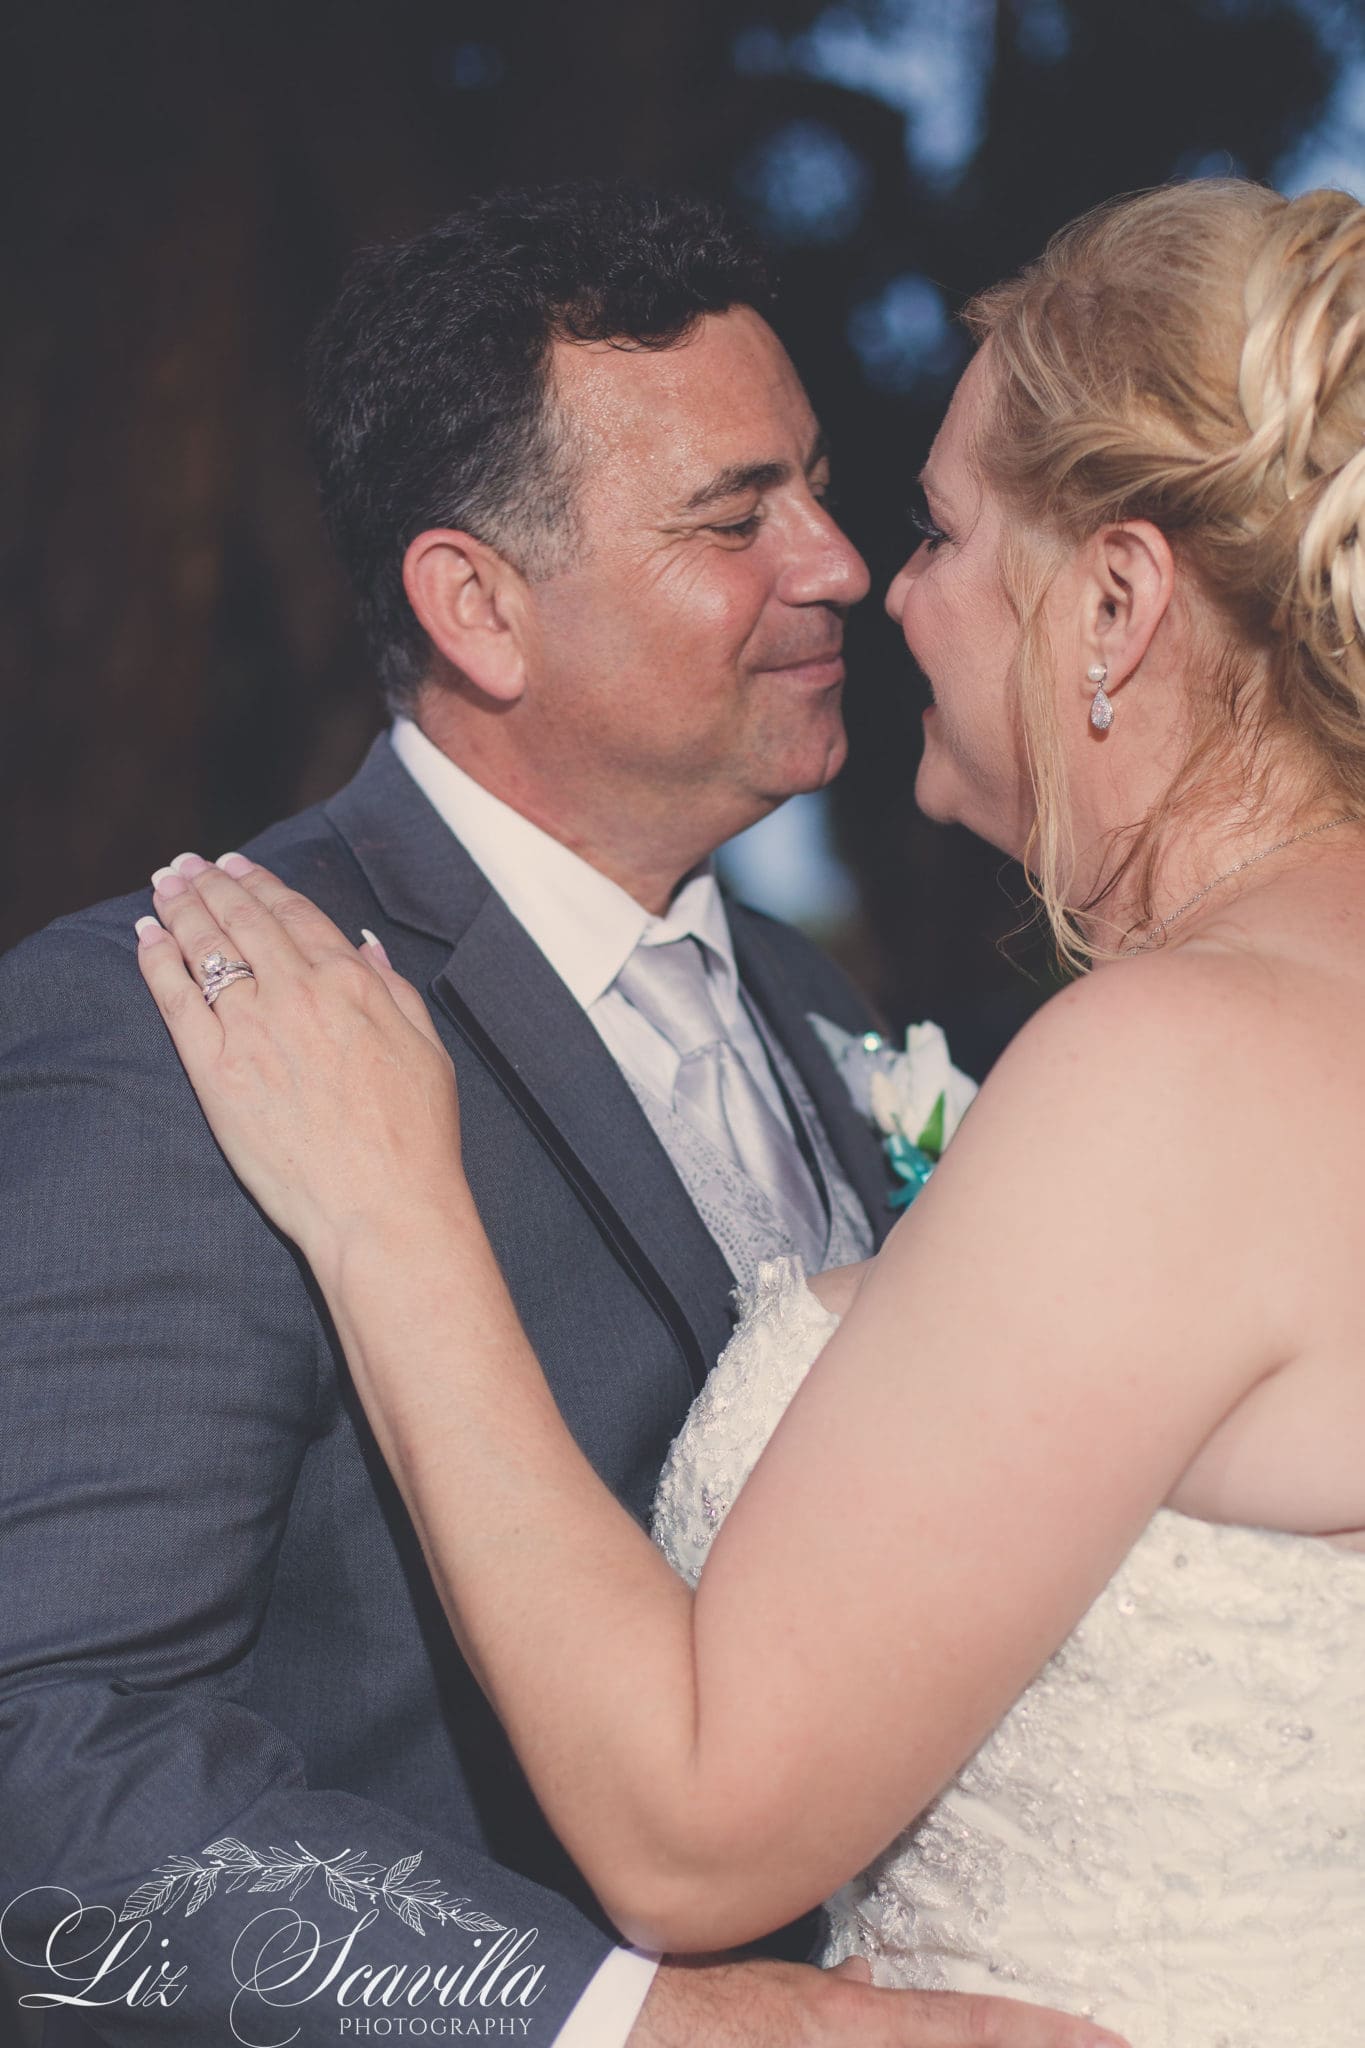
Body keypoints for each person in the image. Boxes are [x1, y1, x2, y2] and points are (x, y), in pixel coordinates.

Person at [134, 177, 1365, 2046]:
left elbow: (696, 1831)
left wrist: (393, 1215)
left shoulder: (1172, 1067)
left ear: (1114, 604)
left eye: (939, 530)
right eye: (750, 516)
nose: (879, 582)